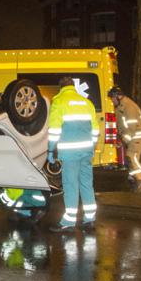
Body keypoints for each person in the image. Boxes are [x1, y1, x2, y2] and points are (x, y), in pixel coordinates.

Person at [47, 76, 99, 232]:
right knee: (86, 184)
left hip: (70, 153)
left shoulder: (59, 102)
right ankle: (89, 220)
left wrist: (50, 150)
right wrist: (91, 146)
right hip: (86, 151)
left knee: (71, 185)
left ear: (61, 88)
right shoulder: (87, 102)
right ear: (73, 87)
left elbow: (54, 130)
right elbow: (95, 130)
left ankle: (69, 222)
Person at [108, 86, 141, 192]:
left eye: (112, 98)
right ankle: (133, 179)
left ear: (118, 96)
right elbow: (121, 125)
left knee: (132, 157)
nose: (111, 101)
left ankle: (140, 181)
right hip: (133, 137)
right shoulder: (121, 106)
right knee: (130, 159)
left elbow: (131, 127)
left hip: (137, 136)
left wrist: (123, 140)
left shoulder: (129, 107)